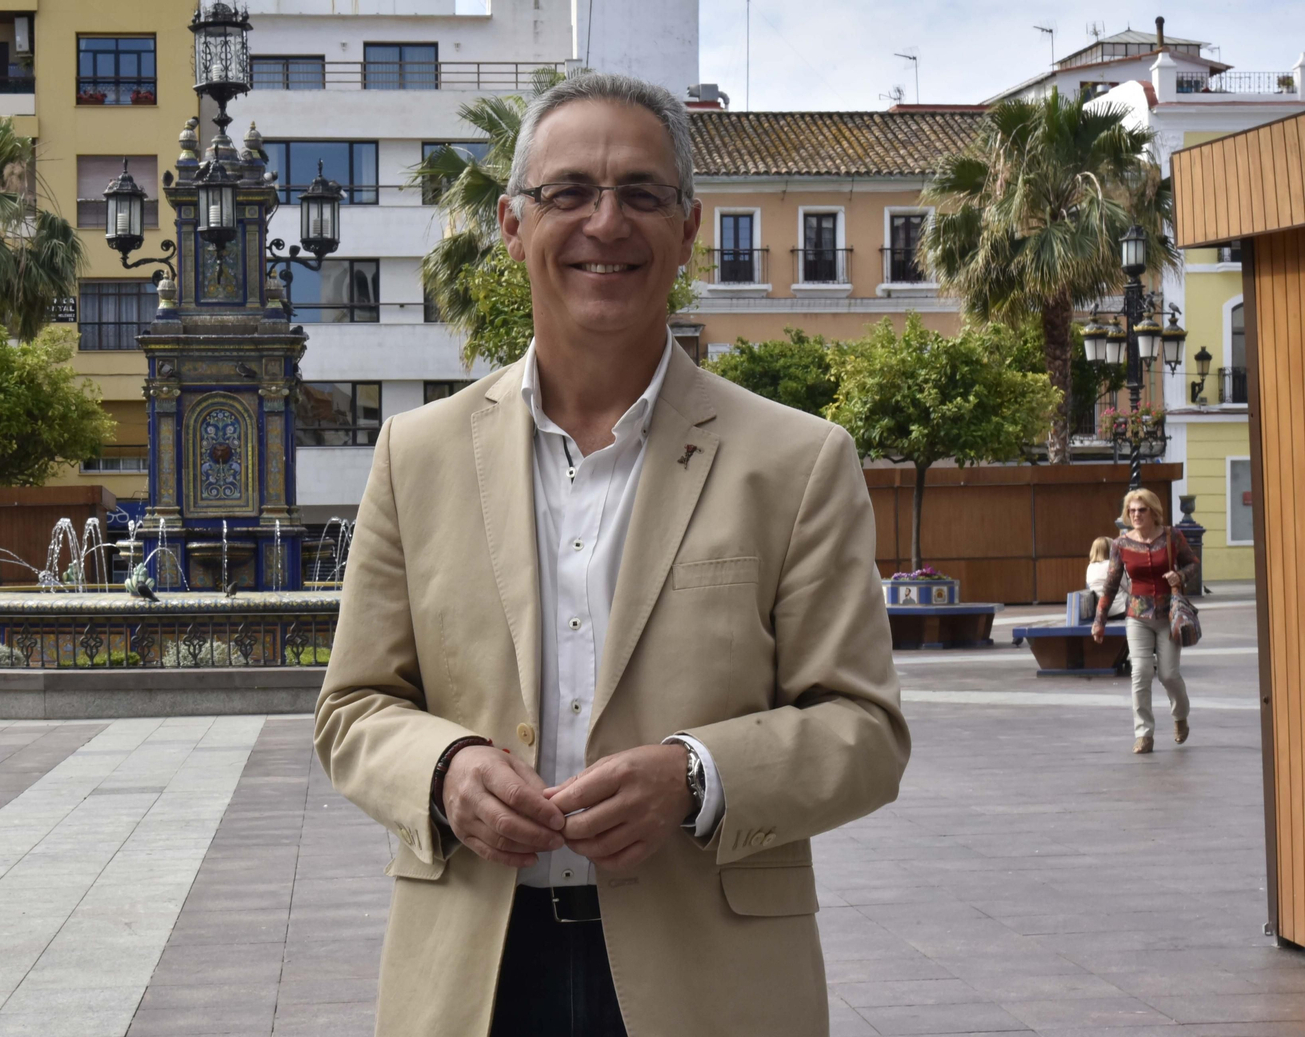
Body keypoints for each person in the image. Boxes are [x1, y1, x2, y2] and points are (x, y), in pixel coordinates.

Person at [314, 73, 909, 1037]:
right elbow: (352, 709)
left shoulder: (798, 462)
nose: (606, 222)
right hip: (474, 975)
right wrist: (445, 767)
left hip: (711, 980)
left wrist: (697, 775)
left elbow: (866, 732)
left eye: (641, 192)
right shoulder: (416, 456)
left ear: (687, 227)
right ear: (512, 226)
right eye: (568, 194)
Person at [1092, 489, 1200, 753]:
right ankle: (1144, 734)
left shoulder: (1172, 536)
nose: (1136, 515)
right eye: (1132, 511)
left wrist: (1180, 576)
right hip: (1137, 616)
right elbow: (1111, 583)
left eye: (1142, 510)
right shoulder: (1121, 544)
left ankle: (1180, 716)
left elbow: (1193, 563)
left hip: (1168, 616)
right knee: (1140, 673)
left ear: (1153, 511)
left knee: (1168, 674)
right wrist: (1100, 620)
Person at [1085, 536, 1126, 619]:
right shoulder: (1113, 565)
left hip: (1101, 612)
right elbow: (1128, 587)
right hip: (1120, 610)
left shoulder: (1090, 567)